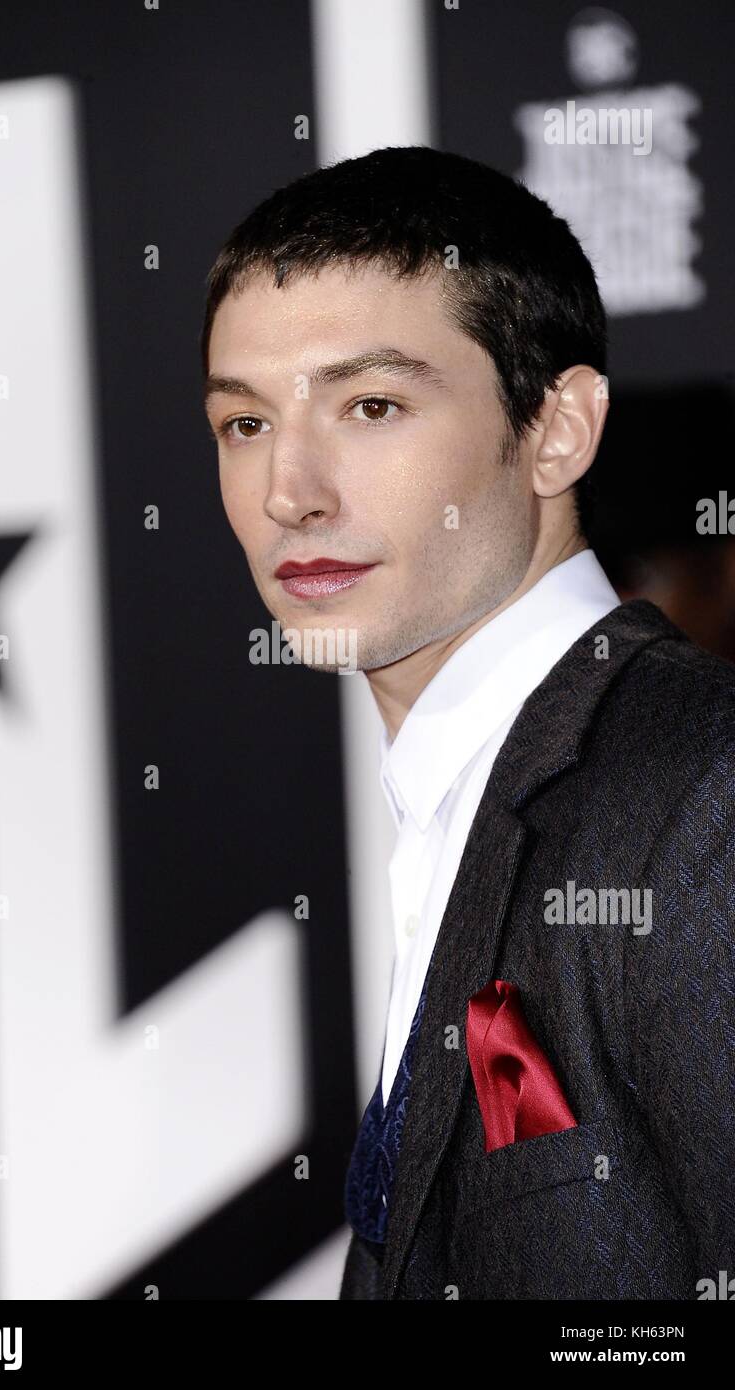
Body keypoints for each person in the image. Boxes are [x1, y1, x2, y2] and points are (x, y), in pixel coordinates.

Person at [200, 146, 735, 1299]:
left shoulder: (704, 791)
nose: (291, 489)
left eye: (372, 405)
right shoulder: (465, 792)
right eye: (244, 424)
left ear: (558, 431)